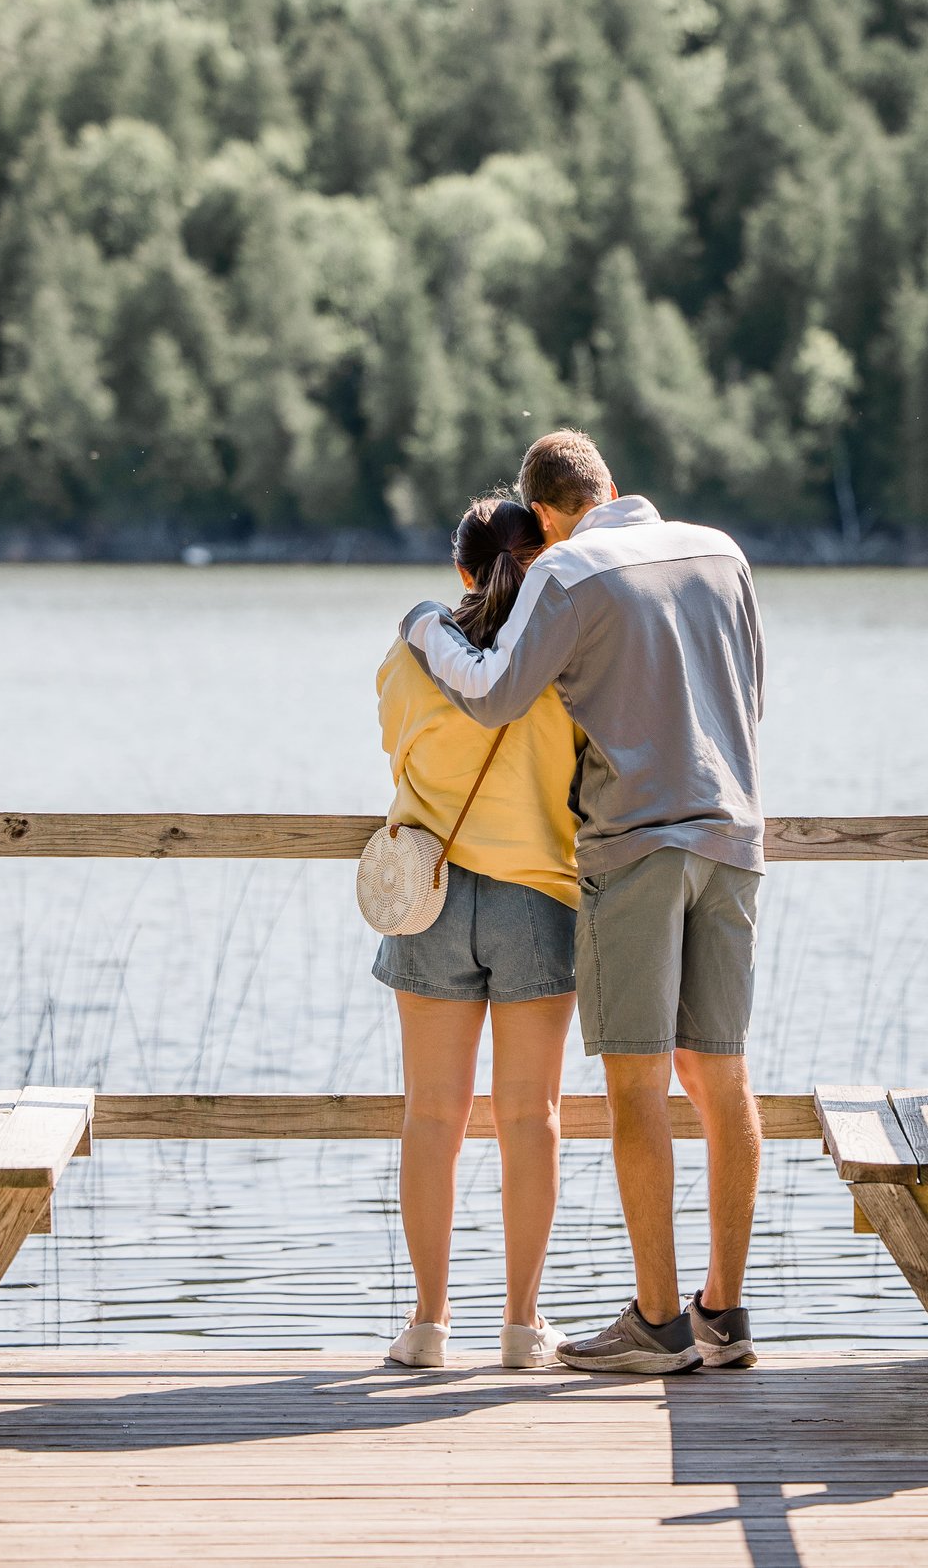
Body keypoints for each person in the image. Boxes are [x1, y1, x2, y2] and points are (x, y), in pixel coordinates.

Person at [399, 430, 765, 1375]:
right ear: (615, 485)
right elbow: (751, 693)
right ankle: (723, 1315)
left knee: (637, 1081)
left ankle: (657, 1322)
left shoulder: (570, 572)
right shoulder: (720, 549)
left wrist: (426, 624)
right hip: (733, 834)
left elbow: (491, 694)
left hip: (637, 845)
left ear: (549, 516)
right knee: (720, 1075)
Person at [373, 496, 583, 1370]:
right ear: (540, 568)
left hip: (431, 893)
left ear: (462, 568)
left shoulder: (410, 656)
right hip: (536, 896)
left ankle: (428, 1322)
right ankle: (523, 1325)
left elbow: (395, 750)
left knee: (432, 1116)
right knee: (530, 1118)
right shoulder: (560, 663)